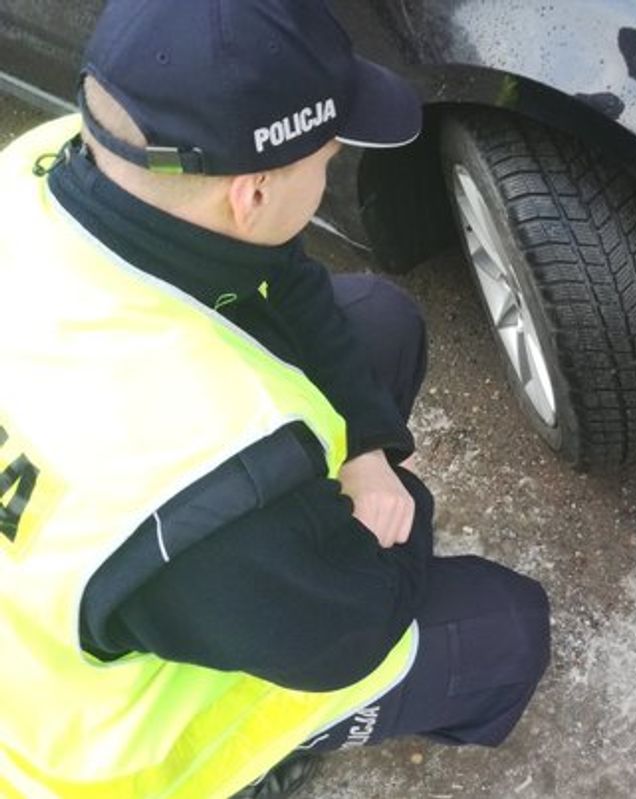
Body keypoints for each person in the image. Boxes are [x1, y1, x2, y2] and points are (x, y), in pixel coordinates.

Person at [0, 1, 550, 797]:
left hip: (64, 590)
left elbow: (286, 274)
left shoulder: (49, 167)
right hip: (83, 750)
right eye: (324, 160)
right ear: (250, 195)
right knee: (506, 631)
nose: (328, 178)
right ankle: (261, 772)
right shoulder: (194, 490)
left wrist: (366, 445)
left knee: (377, 324)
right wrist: (400, 506)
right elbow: (348, 626)